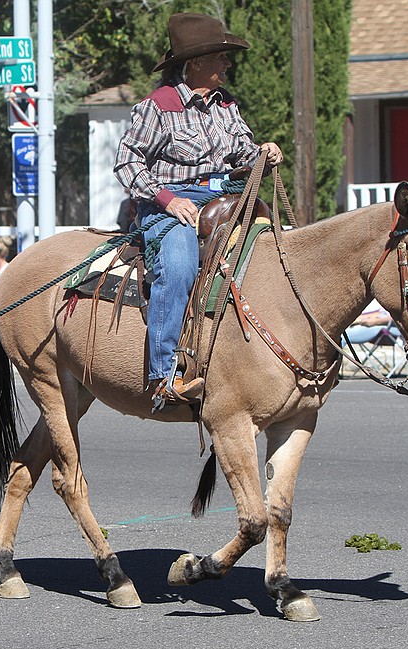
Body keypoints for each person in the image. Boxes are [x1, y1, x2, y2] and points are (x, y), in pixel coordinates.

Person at [113, 12, 284, 410]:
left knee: (278, 246)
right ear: (194, 64)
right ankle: (163, 374)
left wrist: (263, 153)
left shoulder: (226, 104)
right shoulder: (158, 106)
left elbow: (243, 151)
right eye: (219, 57)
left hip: (225, 198)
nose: (227, 64)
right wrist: (168, 200)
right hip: (172, 205)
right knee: (179, 264)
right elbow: (126, 162)